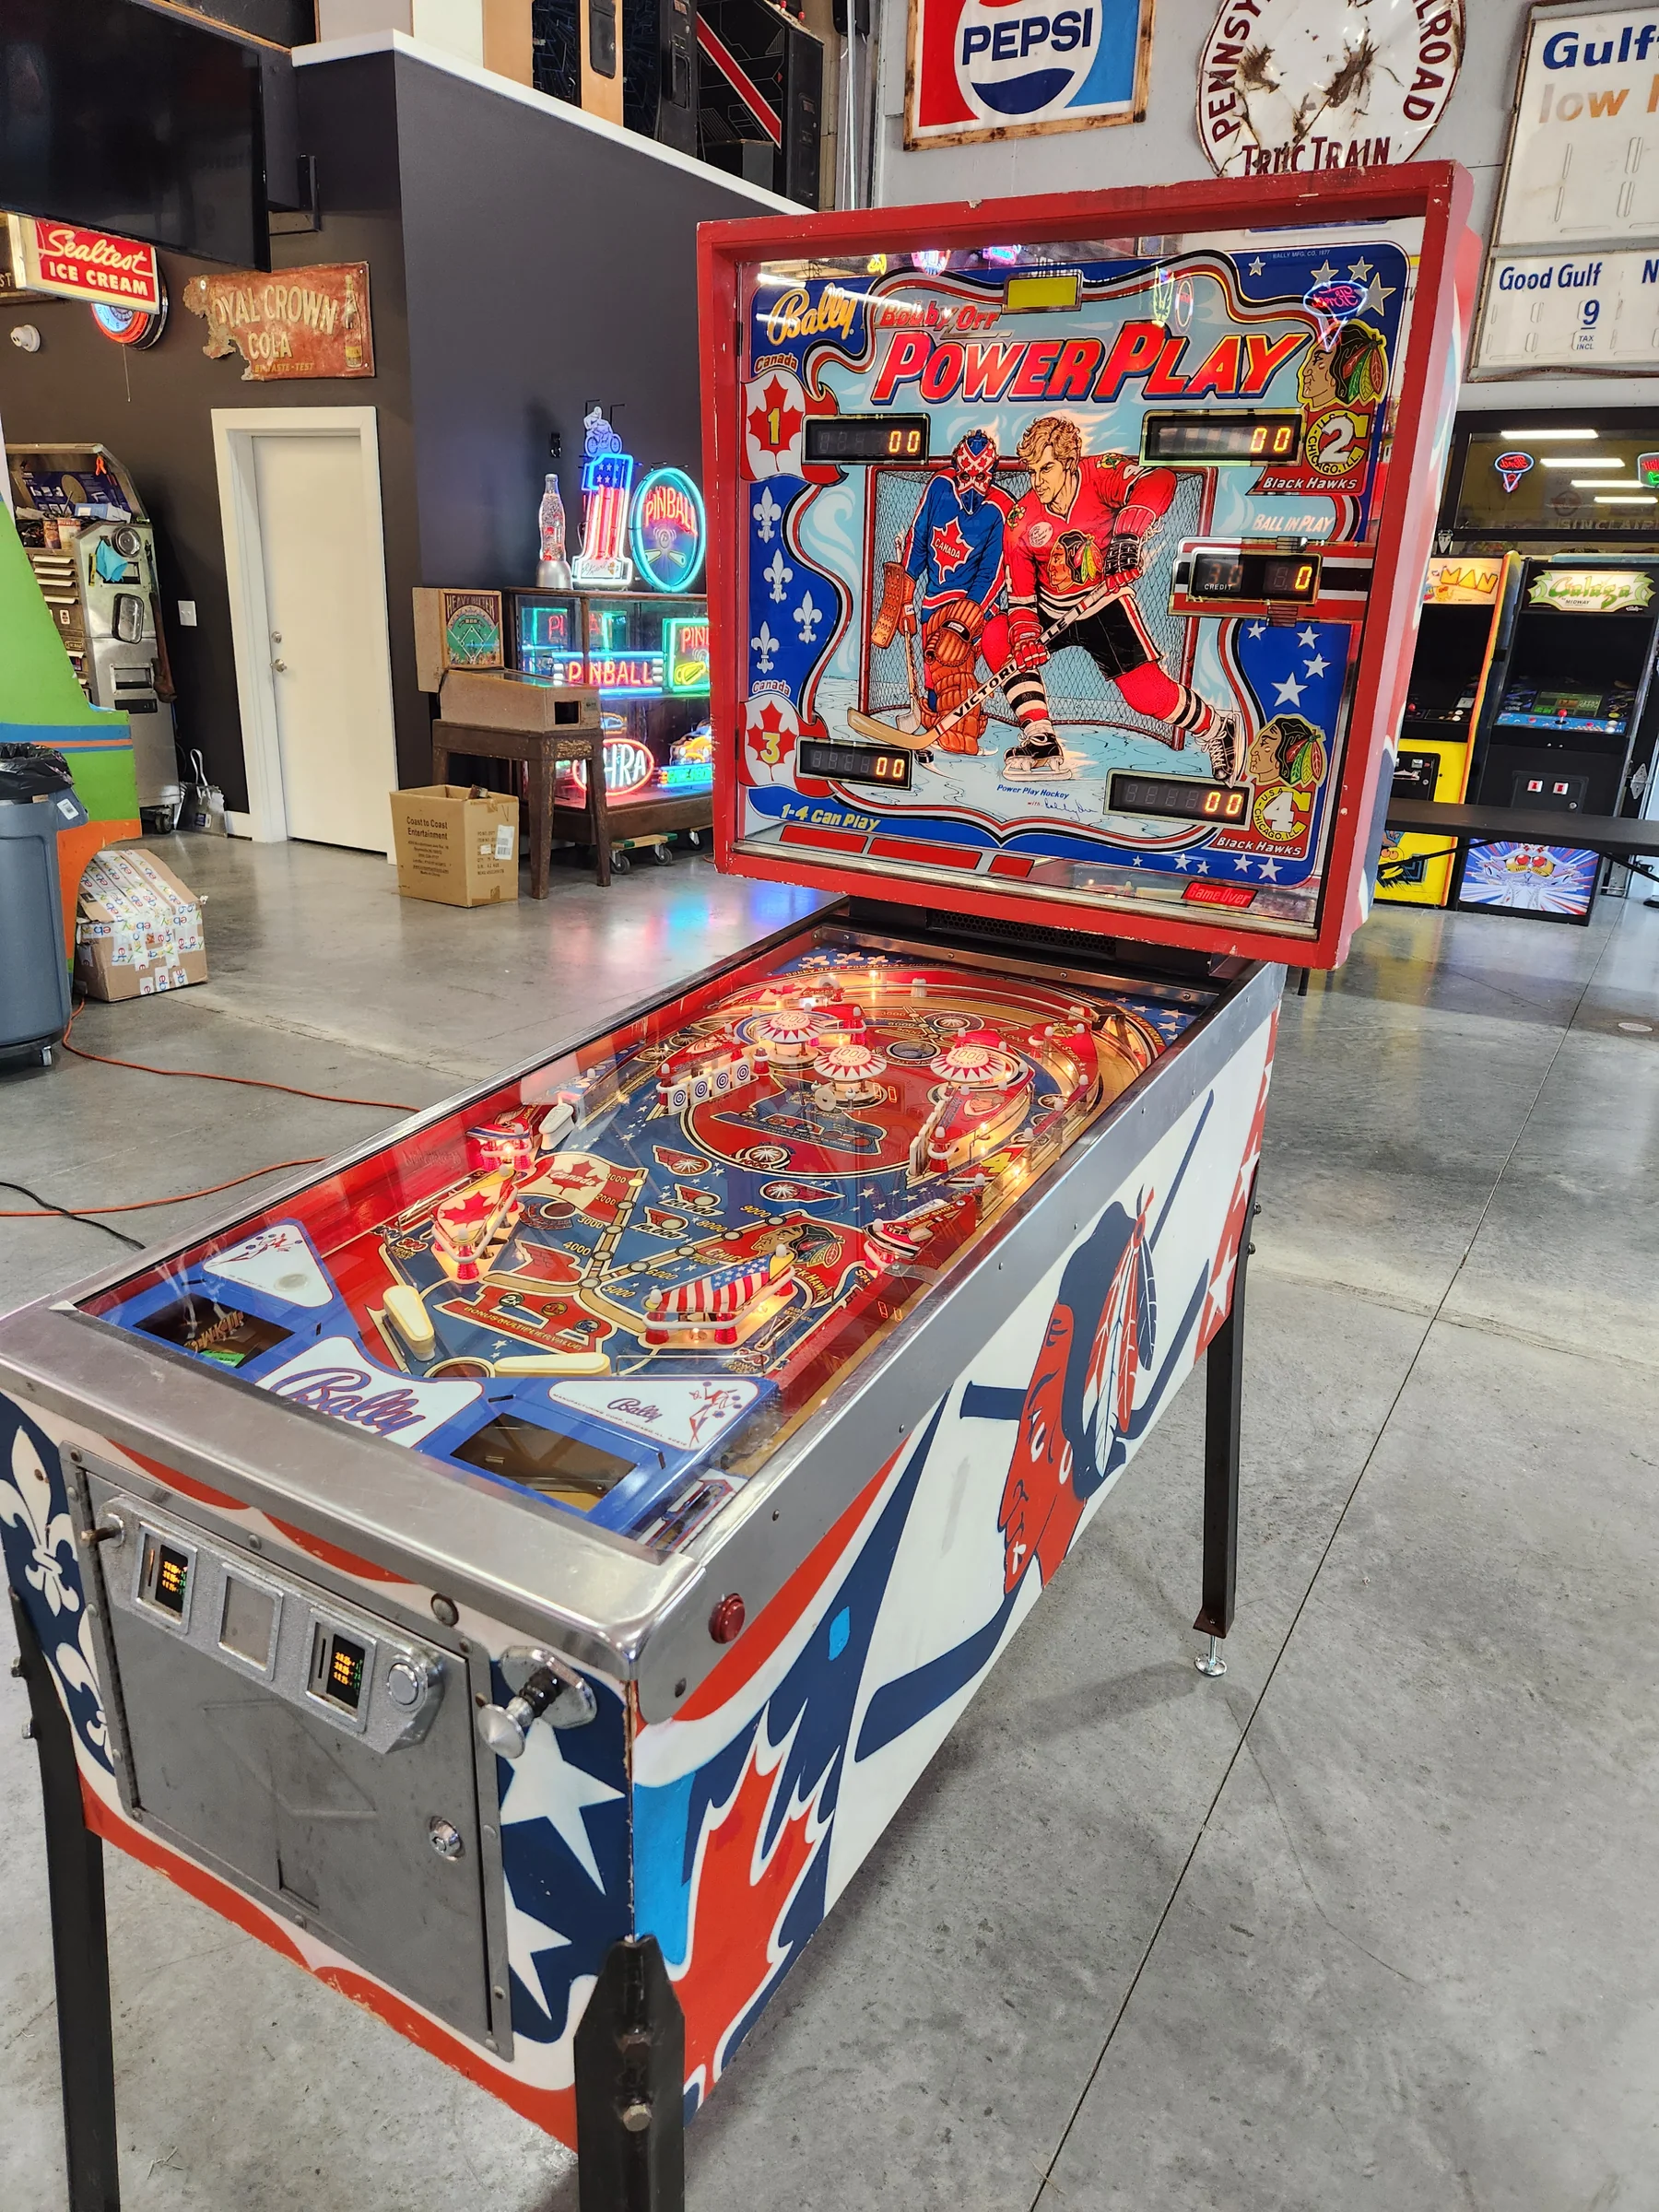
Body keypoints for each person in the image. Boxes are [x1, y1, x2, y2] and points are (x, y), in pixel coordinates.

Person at [999, 414, 1241, 780]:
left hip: (1103, 602)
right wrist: (1026, 636)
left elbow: (1159, 479)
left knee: (1146, 696)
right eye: (1032, 472)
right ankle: (1040, 736)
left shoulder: (1101, 473)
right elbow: (1019, 595)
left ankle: (1215, 727)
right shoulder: (1021, 519)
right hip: (1052, 607)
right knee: (999, 635)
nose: (1038, 481)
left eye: (1046, 468)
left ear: (1069, 461)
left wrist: (1127, 534)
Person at [869, 429, 1011, 755]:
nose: (973, 485)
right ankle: (931, 716)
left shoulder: (1000, 508)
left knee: (951, 661)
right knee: (933, 667)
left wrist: (963, 623)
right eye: (966, 475)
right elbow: (918, 542)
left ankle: (960, 735)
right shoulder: (939, 487)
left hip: (972, 604)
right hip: (934, 598)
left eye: (982, 477)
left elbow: (991, 574)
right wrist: (906, 596)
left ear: (992, 472)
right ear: (956, 468)